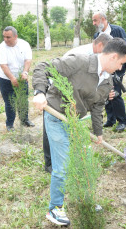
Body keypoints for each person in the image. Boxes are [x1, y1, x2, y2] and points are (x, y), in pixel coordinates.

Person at [33, 38, 126, 226]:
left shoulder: (107, 80)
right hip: (56, 117)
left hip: (74, 122)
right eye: (121, 63)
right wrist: (39, 92)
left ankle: (84, 200)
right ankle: (55, 209)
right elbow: (43, 66)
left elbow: (97, 106)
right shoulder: (79, 62)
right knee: (61, 167)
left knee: (83, 162)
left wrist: (98, 132)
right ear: (112, 57)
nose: (120, 68)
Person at [42, 33, 113, 174]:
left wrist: (101, 92)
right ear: (100, 46)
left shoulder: (99, 65)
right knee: (51, 130)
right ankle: (50, 163)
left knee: (67, 132)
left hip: (74, 99)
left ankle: (66, 160)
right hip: (57, 93)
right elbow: (53, 72)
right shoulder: (80, 56)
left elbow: (91, 87)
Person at [92, 12, 126, 132]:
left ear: (103, 19)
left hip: (117, 68)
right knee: (105, 93)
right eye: (93, 21)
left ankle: (122, 121)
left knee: (115, 94)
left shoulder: (117, 30)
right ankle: (110, 120)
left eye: (95, 20)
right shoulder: (97, 35)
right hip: (104, 69)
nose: (94, 23)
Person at [0, 26, 34, 131]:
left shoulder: (24, 45)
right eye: (4, 37)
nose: (5, 40)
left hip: (21, 77)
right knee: (10, 102)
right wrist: (12, 78)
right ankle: (9, 125)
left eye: (8, 37)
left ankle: (24, 120)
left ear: (15, 36)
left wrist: (25, 72)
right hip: (5, 78)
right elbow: (3, 65)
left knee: (23, 99)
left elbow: (28, 60)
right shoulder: (1, 48)